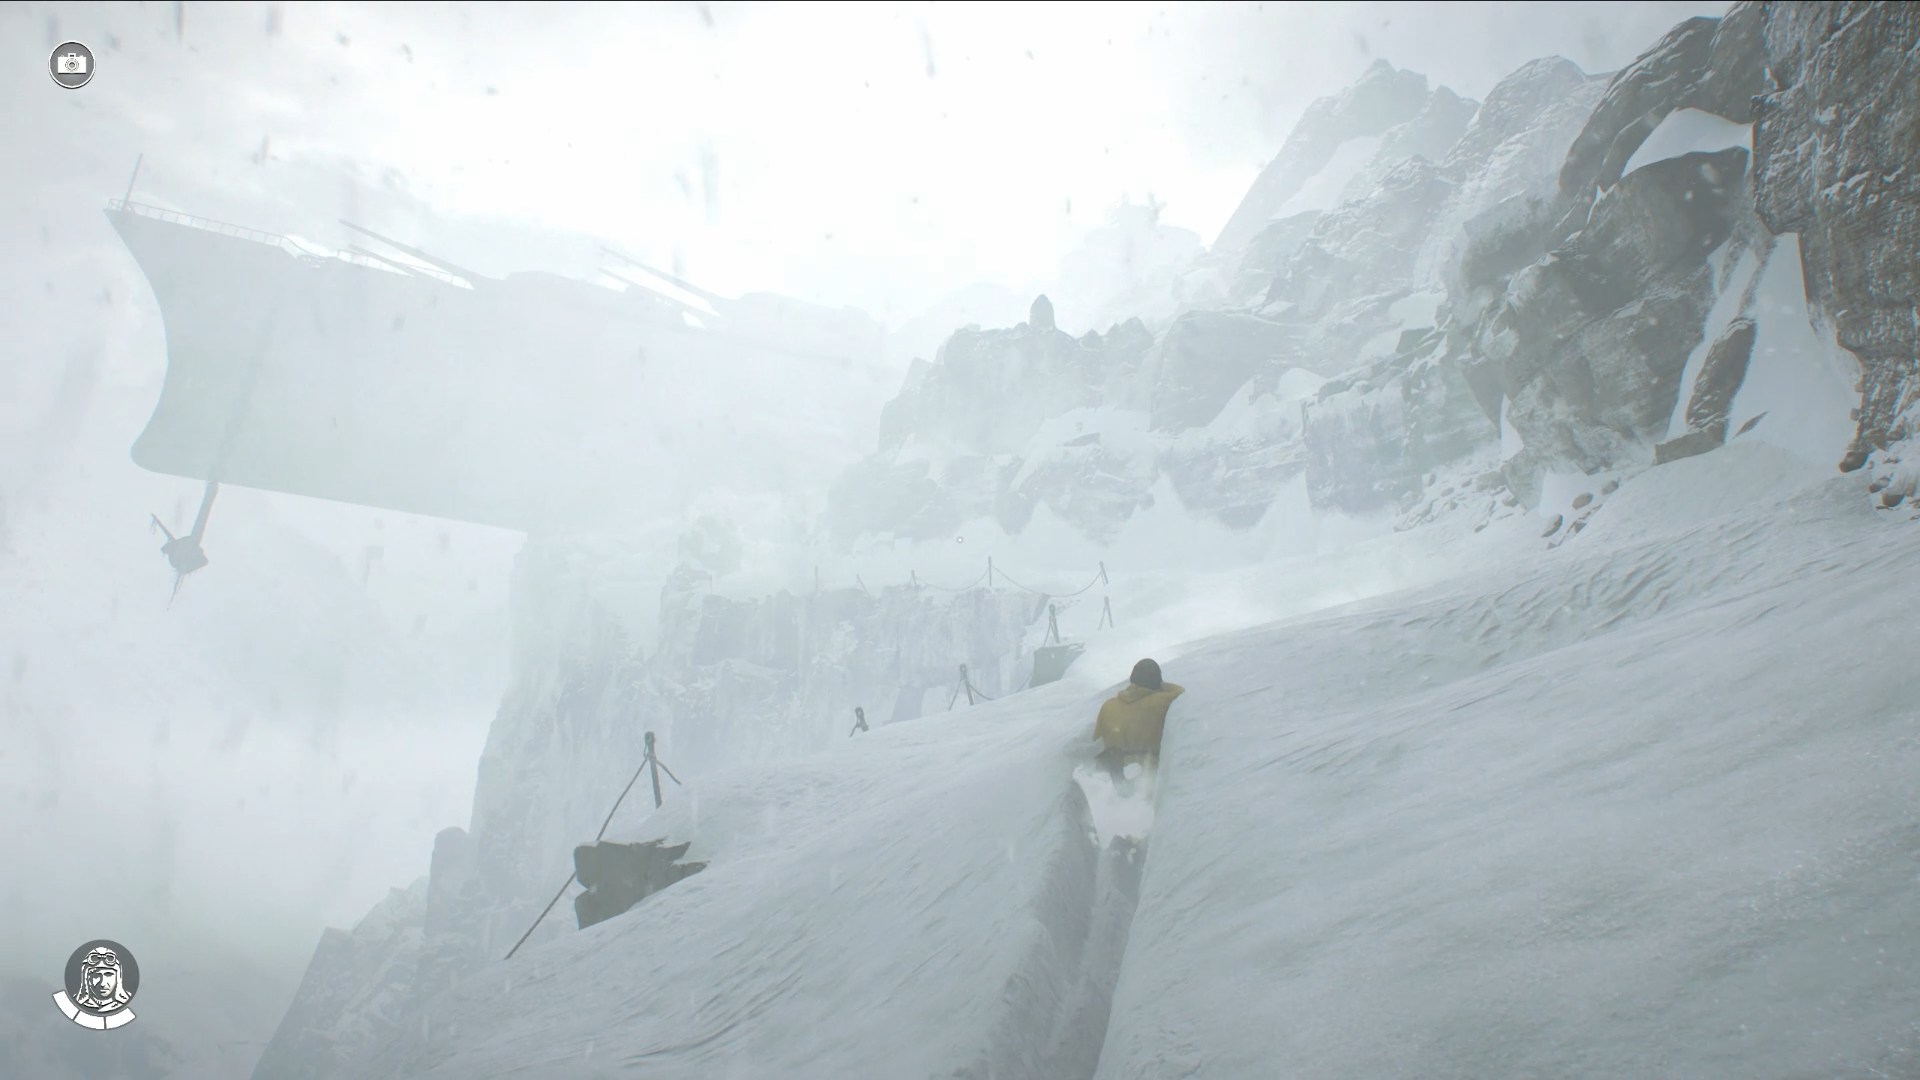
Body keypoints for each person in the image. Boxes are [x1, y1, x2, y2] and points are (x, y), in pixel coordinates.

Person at [1092, 659, 1184, 787]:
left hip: (1113, 771)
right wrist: (1161, 685)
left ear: (1132, 680)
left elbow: (1096, 740)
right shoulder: (1162, 702)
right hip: (1147, 769)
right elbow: (1181, 691)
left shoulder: (1108, 706)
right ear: (1158, 683)